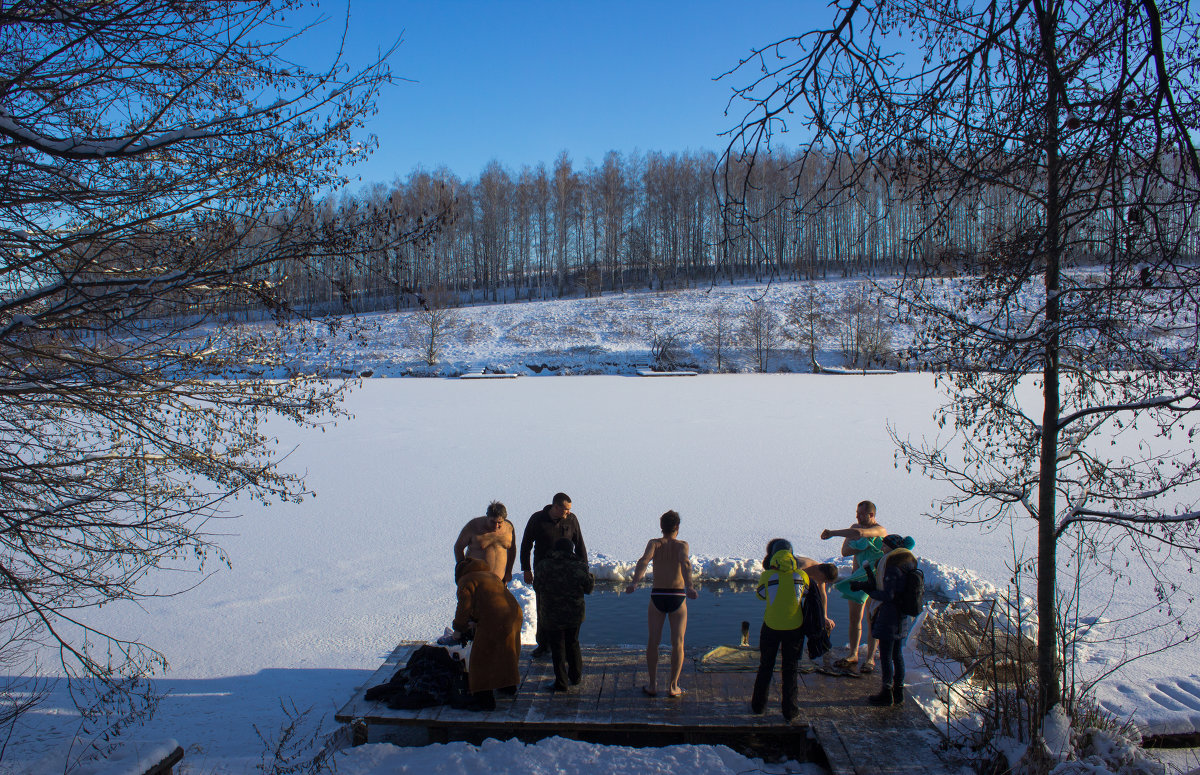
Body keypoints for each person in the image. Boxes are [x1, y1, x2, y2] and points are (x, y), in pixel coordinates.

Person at [624, 510, 698, 698]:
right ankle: (673, 686)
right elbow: (686, 564)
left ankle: (652, 685)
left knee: (653, 642)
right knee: (678, 644)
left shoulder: (654, 543)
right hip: (677, 596)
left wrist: (635, 582)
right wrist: (689, 586)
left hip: (658, 595)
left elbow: (644, 561)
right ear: (677, 528)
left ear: (661, 526)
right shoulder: (682, 545)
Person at [849, 537, 919, 705]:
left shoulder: (893, 566)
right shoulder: (906, 562)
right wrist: (866, 586)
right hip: (902, 614)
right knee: (897, 654)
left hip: (889, 615)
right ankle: (898, 691)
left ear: (892, 547)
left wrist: (870, 591)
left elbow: (888, 595)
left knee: (887, 655)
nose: (883, 550)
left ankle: (886, 693)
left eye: (885, 546)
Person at [819, 500, 887, 672]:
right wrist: (860, 545)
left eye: (861, 513)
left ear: (871, 515)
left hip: (875, 580)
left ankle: (870, 658)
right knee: (854, 618)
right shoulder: (853, 527)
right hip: (857, 578)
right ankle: (853, 653)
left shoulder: (880, 530)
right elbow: (845, 551)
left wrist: (832, 532)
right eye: (857, 512)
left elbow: (859, 533)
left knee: (872, 619)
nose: (857, 516)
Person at [520, 492, 587, 658]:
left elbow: (580, 545)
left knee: (568, 609)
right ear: (555, 507)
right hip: (544, 574)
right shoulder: (537, 519)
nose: (568, 512)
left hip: (568, 572)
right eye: (565, 509)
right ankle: (543, 644)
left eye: (570, 509)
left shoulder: (571, 520)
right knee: (543, 608)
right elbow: (526, 544)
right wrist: (526, 569)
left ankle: (565, 645)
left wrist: (583, 569)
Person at [452, 558, 522, 711]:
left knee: (481, 659)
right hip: (514, 614)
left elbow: (463, 607)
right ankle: (507, 686)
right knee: (506, 651)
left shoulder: (466, 580)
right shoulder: (490, 576)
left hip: (495, 618)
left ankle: (484, 700)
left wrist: (459, 629)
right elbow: (489, 601)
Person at [750, 538, 809, 722]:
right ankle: (790, 711)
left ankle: (758, 706)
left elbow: (761, 596)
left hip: (771, 626)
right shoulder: (801, 576)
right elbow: (805, 594)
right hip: (795, 627)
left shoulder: (767, 576)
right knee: (790, 668)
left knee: (766, 665)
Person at [534, 538, 595, 692]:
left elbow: (537, 587)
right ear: (571, 550)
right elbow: (588, 589)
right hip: (574, 614)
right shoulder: (579, 566)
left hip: (551, 614)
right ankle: (575, 676)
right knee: (573, 643)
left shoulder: (544, 566)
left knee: (557, 647)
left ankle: (561, 682)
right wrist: (591, 577)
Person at [453, 501, 515, 582]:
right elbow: (458, 547)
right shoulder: (473, 526)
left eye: (499, 522)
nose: (496, 526)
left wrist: (509, 571)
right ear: (487, 517)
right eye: (492, 522)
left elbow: (512, 549)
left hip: (499, 582)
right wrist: (462, 568)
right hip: (476, 582)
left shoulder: (509, 527)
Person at [795, 557, 839, 671]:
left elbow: (822, 595)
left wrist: (824, 616)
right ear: (821, 573)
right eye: (824, 580)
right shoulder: (803, 567)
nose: (822, 583)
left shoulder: (819, 574)